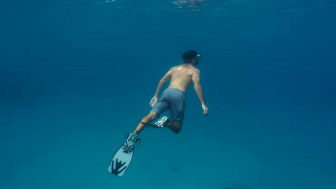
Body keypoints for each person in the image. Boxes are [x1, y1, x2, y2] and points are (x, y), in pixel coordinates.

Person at [127, 50, 209, 142]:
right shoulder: (195, 71)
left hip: (167, 92)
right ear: (193, 59)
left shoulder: (174, 68)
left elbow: (162, 80)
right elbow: (196, 85)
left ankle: (135, 133)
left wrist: (156, 95)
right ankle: (166, 123)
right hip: (179, 94)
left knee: (151, 115)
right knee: (177, 128)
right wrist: (203, 103)